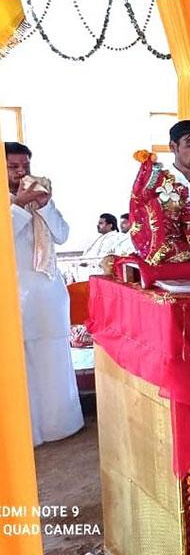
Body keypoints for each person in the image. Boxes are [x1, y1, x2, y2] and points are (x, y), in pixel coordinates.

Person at [6, 142, 84, 446]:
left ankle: (61, 425)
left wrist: (45, 206)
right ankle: (29, 433)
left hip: (48, 294)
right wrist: (17, 206)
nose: (21, 172)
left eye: (24, 165)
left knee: (55, 361)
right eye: (13, 167)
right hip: (15, 295)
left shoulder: (41, 193)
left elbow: (62, 235)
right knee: (22, 368)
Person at [78, 213, 129, 278]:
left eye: (101, 223)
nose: (98, 225)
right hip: (86, 268)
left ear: (110, 225)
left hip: (99, 271)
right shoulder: (99, 238)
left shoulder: (117, 238)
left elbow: (109, 257)